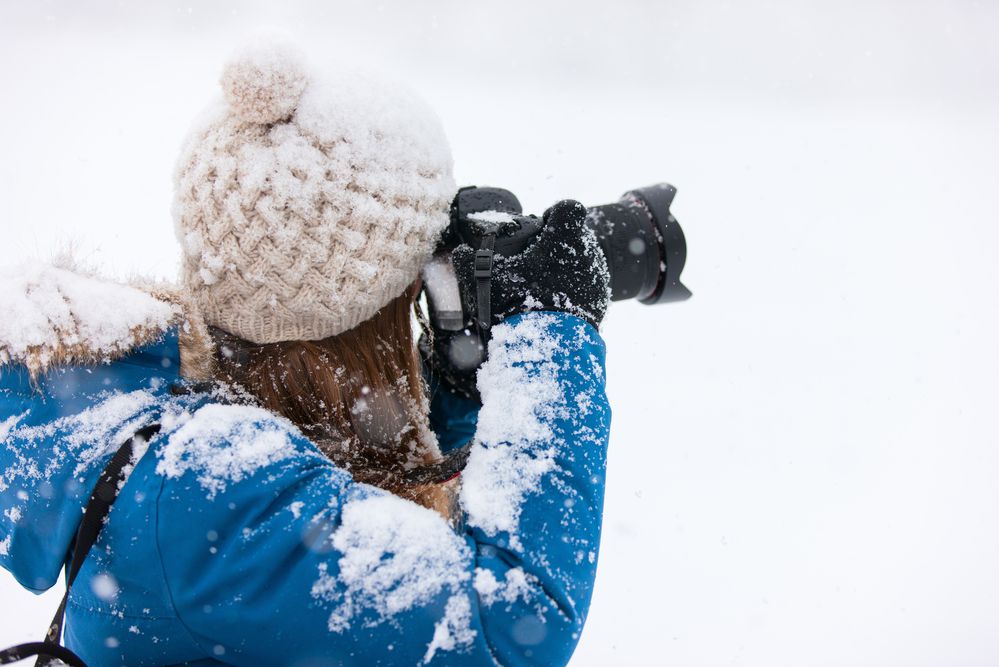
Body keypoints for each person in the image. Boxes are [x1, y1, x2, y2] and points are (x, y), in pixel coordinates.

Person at [0, 39, 611, 666]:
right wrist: (548, 336)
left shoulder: (181, 416)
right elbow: (507, 624)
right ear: (370, 311)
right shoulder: (204, 486)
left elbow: (361, 493)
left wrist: (451, 389)